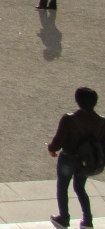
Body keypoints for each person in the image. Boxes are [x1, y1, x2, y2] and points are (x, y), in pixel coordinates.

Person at [47, 87, 105, 229]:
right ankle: (87, 220)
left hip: (68, 159)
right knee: (80, 188)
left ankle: (64, 218)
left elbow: (58, 141)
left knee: (62, 187)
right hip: (87, 161)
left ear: (78, 101)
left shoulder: (69, 119)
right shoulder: (102, 122)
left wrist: (51, 149)